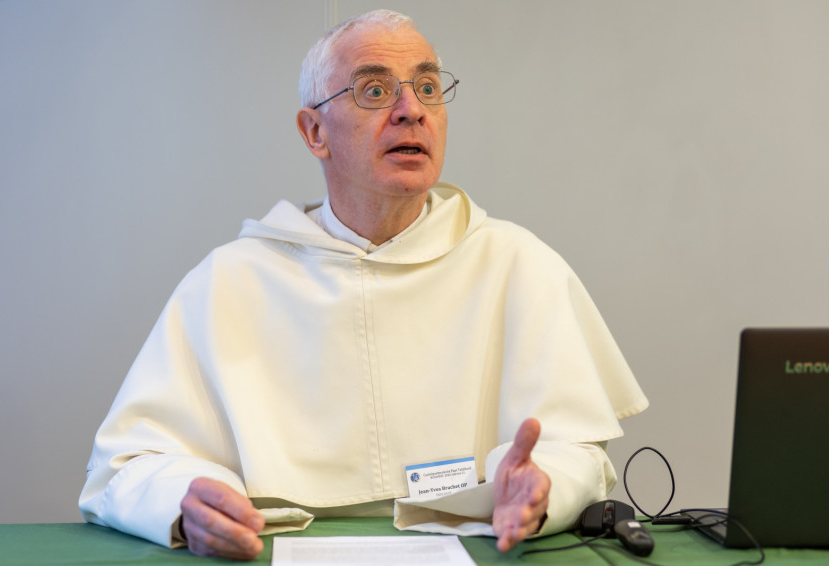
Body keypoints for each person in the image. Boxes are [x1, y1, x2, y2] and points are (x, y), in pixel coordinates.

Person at [80, 9, 648, 561]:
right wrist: (185, 502)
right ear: (315, 132)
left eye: (427, 88)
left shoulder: (517, 264)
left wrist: (544, 485)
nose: (411, 111)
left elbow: (577, 451)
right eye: (375, 91)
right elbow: (128, 467)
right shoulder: (230, 281)